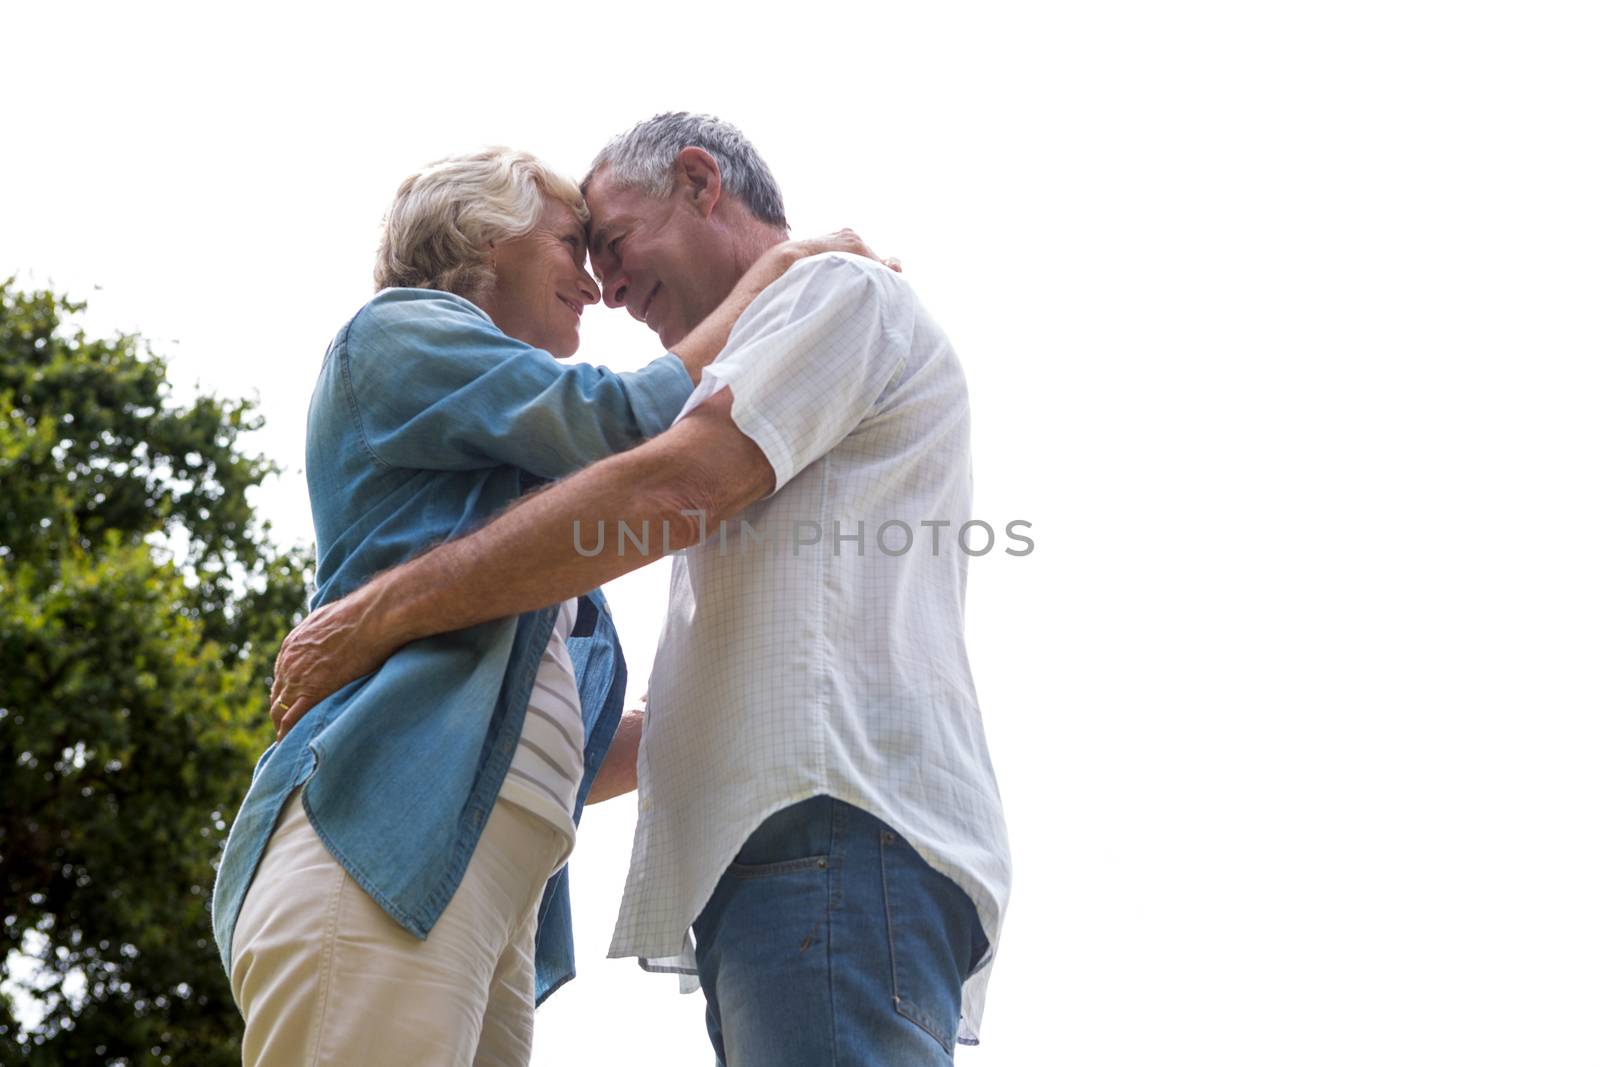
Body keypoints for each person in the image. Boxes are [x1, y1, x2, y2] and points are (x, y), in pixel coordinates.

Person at [270, 113, 1010, 1065]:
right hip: (714, 848)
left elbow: (665, 481)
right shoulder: (412, 350)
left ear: (701, 182)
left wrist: (379, 612)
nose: (605, 287)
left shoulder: (827, 290)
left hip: (821, 824)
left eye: (608, 244)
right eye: (577, 250)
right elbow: (600, 718)